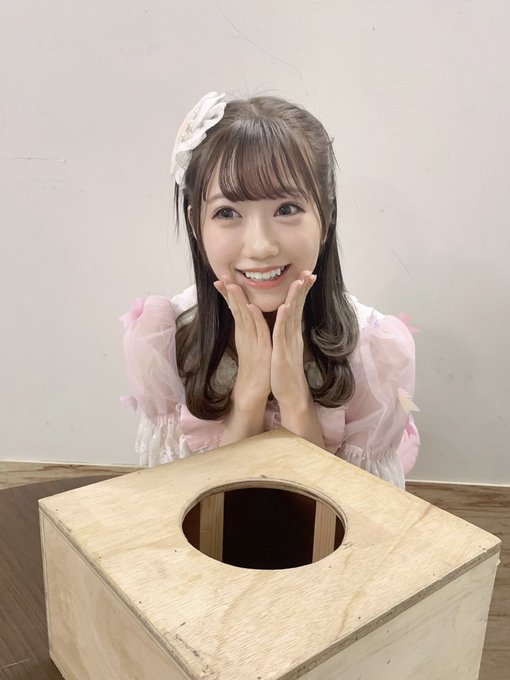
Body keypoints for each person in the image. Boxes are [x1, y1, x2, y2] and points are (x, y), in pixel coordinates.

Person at [121, 91, 420, 489]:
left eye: (286, 209)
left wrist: (296, 398)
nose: (261, 246)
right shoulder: (164, 340)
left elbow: (346, 510)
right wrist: (248, 396)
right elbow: (189, 503)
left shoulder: (375, 354)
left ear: (326, 215)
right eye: (227, 213)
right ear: (195, 225)